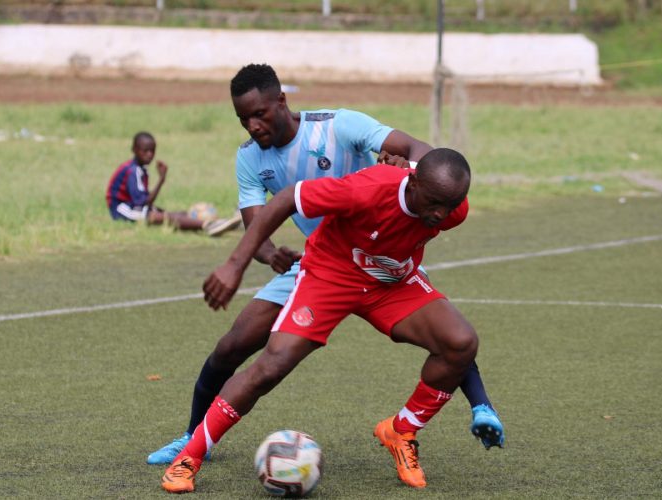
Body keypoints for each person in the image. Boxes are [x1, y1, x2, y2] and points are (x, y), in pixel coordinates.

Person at [146, 64, 503, 465]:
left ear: (281, 101)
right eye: (243, 119)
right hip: (320, 264)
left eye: (259, 114)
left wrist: (410, 170)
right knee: (234, 345)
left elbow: (416, 147)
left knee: (447, 331)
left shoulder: (338, 126)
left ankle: (479, 407)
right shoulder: (249, 159)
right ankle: (194, 438)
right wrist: (268, 255)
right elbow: (256, 226)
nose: (252, 126)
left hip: (379, 253)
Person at [162, 148, 479, 493]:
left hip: (389, 282)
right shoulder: (366, 190)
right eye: (433, 202)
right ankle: (188, 458)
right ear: (412, 182)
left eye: (449, 205)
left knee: (460, 342)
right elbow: (286, 199)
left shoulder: (451, 209)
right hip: (331, 274)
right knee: (272, 366)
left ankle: (401, 430)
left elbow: (436, 203)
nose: (440, 214)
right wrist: (235, 264)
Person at [105, 131, 241, 237]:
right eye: (145, 151)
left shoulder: (140, 169)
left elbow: (143, 201)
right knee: (159, 217)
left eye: (152, 151)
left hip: (133, 206)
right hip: (121, 210)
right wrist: (161, 179)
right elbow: (142, 203)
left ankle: (219, 222)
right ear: (134, 149)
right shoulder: (133, 170)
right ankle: (207, 225)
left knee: (175, 213)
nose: (149, 155)